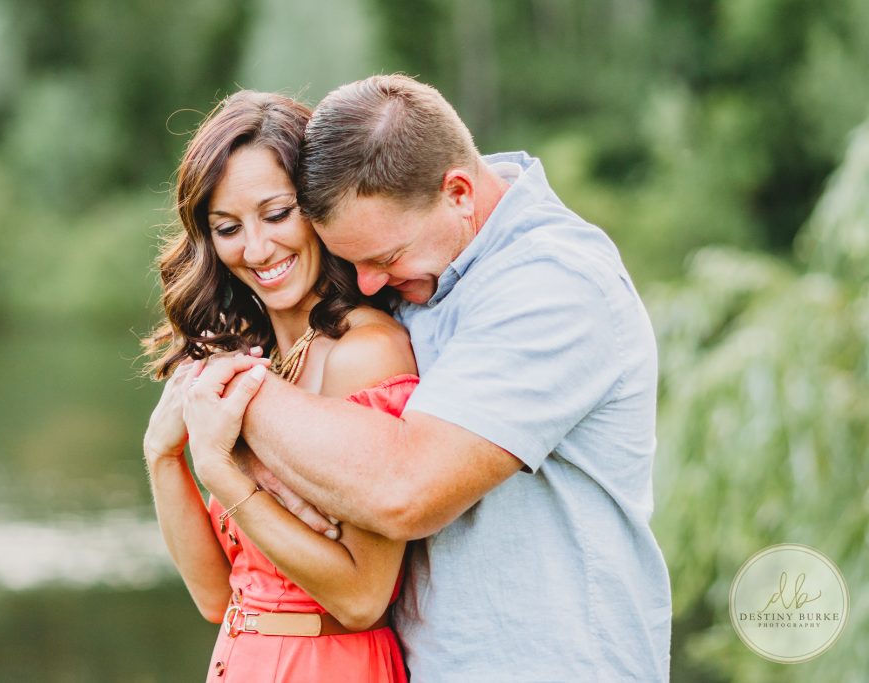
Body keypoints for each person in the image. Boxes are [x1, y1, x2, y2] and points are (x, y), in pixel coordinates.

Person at [191, 74, 673, 681]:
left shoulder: (556, 284)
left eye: (382, 260)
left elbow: (404, 489)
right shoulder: (427, 249)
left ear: (460, 193)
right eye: (354, 261)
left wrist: (222, 395)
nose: (367, 285)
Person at [140, 91, 418, 682]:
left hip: (329, 664)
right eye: (228, 227)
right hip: (243, 658)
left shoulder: (363, 354)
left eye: (277, 213)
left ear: (317, 206)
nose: (258, 249)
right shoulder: (257, 358)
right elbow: (218, 599)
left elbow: (363, 596)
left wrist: (221, 472)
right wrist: (164, 457)